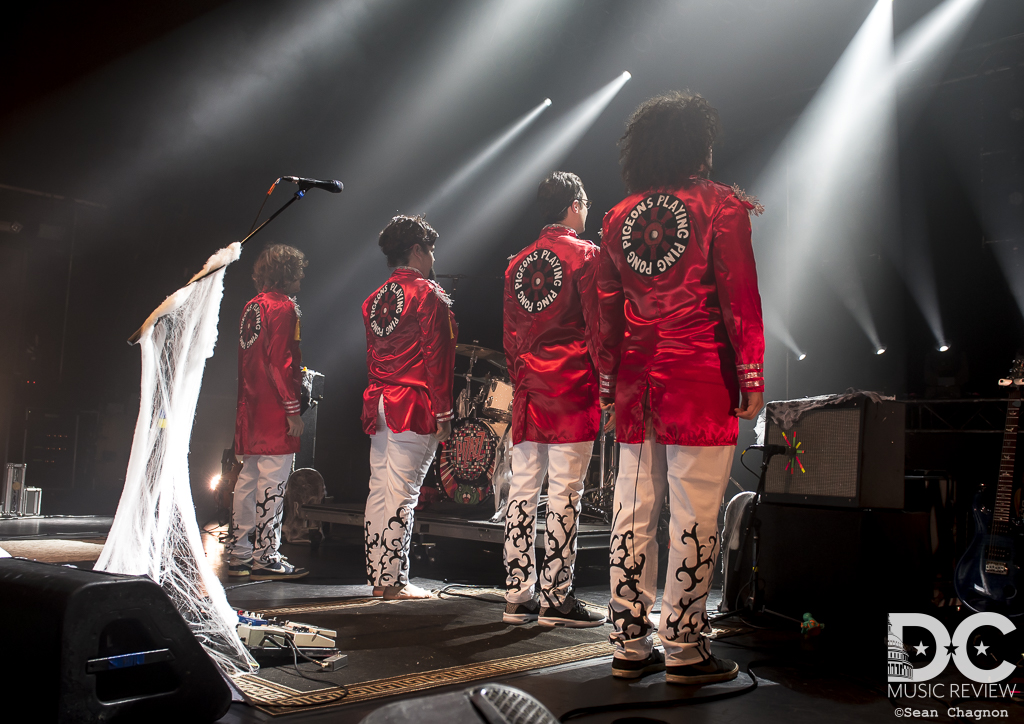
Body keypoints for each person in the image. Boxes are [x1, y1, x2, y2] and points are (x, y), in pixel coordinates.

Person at [597, 91, 765, 684]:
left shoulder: (619, 217)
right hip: (699, 377)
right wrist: (750, 375)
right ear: (698, 144)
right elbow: (739, 299)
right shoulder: (721, 207)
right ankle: (685, 648)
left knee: (632, 509)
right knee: (694, 514)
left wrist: (608, 379)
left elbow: (607, 311)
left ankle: (627, 642)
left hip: (638, 385)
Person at [501, 172, 608, 628]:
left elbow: (509, 337)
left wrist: (522, 377)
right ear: (574, 203)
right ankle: (556, 599)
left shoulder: (515, 264)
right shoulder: (586, 255)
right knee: (566, 493)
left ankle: (515, 595)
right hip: (571, 389)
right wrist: (607, 386)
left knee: (522, 492)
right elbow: (600, 328)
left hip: (529, 390)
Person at [363, 215, 456, 600]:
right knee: (403, 492)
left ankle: (379, 577)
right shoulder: (428, 294)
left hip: (380, 401)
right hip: (413, 403)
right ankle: (394, 581)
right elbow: (439, 358)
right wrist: (445, 413)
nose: (433, 256)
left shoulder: (374, 298)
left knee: (380, 490)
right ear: (417, 250)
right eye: (430, 249)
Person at [228, 243, 310, 581]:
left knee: (247, 480)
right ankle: (266, 554)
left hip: (250, 407)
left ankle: (239, 552)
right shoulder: (283, 308)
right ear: (287, 274)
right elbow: (280, 362)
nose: (303, 276)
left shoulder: (252, 307)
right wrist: (293, 409)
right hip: (275, 409)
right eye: (299, 270)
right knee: (273, 483)